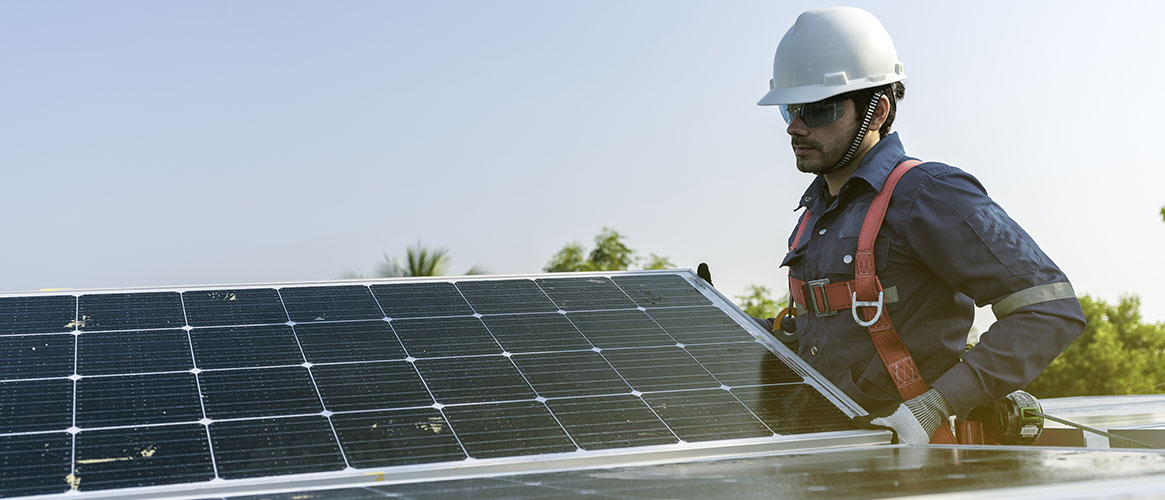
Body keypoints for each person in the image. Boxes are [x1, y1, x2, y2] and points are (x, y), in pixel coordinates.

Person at [756, 7, 1085, 443]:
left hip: (916, 465)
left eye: (819, 110)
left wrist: (935, 406)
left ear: (876, 113)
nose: (795, 127)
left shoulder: (927, 193)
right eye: (790, 110)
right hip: (828, 454)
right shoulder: (816, 212)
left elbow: (1049, 309)